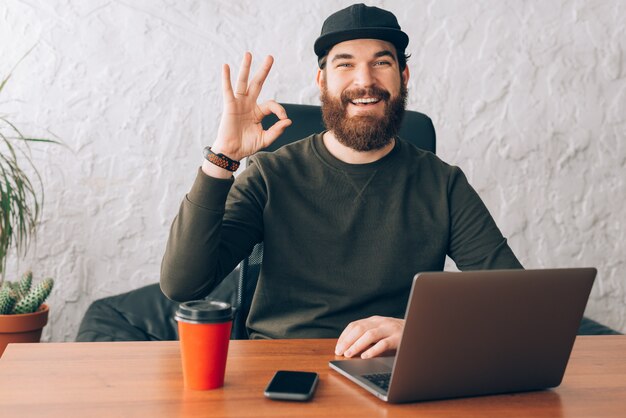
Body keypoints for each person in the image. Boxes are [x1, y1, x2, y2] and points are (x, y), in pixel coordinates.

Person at [160, 3, 522, 359]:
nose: (365, 81)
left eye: (381, 62)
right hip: (282, 366)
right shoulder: (271, 175)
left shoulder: (443, 183)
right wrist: (222, 157)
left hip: (390, 369)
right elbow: (184, 284)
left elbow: (515, 302)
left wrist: (421, 330)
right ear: (322, 81)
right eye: (345, 64)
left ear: (404, 77)